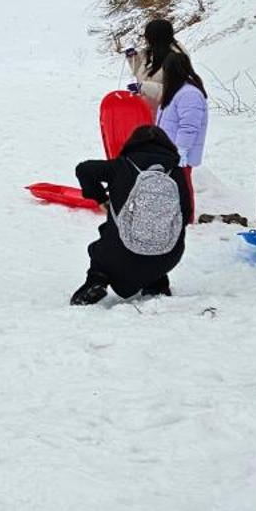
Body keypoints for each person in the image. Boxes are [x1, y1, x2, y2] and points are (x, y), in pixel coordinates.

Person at [70, 125, 192, 305]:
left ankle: (97, 281)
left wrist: (101, 198)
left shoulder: (121, 165)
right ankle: (156, 283)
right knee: (156, 240)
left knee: (102, 246)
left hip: (119, 254)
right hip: (168, 255)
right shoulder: (176, 172)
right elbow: (186, 213)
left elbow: (84, 169)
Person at [156, 51, 208, 208]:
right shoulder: (176, 91)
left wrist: (181, 150)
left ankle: (186, 217)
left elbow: (189, 126)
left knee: (182, 188)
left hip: (179, 154)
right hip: (168, 151)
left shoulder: (190, 94)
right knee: (172, 188)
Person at [125, 19, 185, 109]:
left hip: (167, 114)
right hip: (148, 111)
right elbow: (142, 76)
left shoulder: (177, 60)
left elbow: (176, 92)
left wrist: (144, 87)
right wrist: (134, 59)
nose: (146, 41)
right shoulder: (152, 53)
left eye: (148, 38)